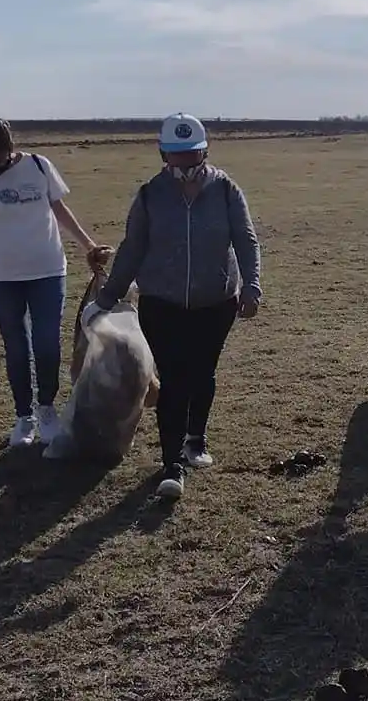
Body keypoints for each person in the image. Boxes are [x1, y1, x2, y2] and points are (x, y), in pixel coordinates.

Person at [80, 113, 262, 500]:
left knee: (203, 373)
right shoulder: (150, 195)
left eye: (193, 155)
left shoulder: (227, 190)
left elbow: (245, 240)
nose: (184, 164)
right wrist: (106, 299)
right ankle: (172, 463)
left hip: (217, 302)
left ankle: (197, 437)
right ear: (163, 153)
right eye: (176, 156)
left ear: (205, 151)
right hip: (162, 304)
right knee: (176, 379)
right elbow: (132, 249)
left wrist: (252, 286)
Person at [0, 118, 110, 447]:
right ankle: (23, 417)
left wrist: (89, 246)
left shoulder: (39, 166)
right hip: (0, 279)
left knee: (46, 343)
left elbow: (59, 208)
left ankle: (46, 409)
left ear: (10, 148)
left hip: (47, 271)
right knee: (16, 346)